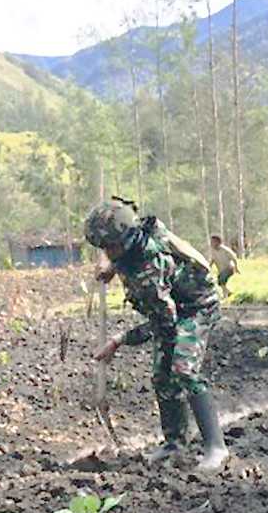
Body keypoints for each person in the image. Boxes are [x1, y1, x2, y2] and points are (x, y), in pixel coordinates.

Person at [86, 198, 229, 472]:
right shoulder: (138, 233)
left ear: (127, 239)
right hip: (174, 301)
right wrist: (112, 268)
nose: (108, 252)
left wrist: (119, 340)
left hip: (196, 306)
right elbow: (128, 246)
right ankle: (175, 443)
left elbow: (163, 324)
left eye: (111, 247)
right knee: (162, 376)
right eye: (104, 248)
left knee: (183, 369)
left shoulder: (149, 270)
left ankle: (216, 447)